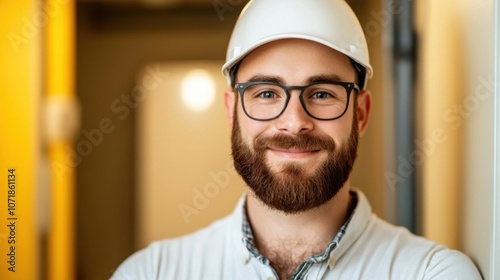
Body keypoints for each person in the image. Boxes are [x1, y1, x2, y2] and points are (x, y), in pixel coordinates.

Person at [111, 0, 482, 279]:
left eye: (322, 93)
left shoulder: (431, 273)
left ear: (361, 114)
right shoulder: (151, 272)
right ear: (231, 112)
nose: (293, 123)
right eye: (266, 93)